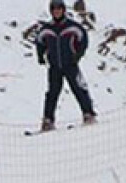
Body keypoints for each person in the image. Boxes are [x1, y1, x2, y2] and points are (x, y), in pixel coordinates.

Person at [35, 0, 97, 131]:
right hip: (54, 66)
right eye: (54, 9)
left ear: (63, 10)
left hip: (70, 64)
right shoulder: (47, 29)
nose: (56, 11)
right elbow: (40, 42)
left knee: (78, 88)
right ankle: (48, 120)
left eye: (59, 9)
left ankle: (88, 114)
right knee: (52, 93)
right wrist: (40, 56)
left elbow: (83, 39)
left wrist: (78, 55)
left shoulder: (72, 26)